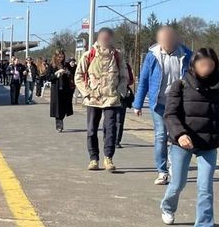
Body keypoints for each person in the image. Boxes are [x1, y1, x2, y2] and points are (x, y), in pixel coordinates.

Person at [160, 48, 219, 227]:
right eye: (202, 64)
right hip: (183, 143)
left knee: (205, 186)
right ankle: (167, 206)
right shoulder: (180, 85)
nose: (206, 68)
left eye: (210, 64)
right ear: (193, 65)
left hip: (208, 144)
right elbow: (170, 115)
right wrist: (180, 134)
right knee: (178, 183)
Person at [133, 27, 192, 185]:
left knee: (176, 136)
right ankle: (162, 171)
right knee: (160, 135)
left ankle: (174, 167)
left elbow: (194, 76)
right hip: (158, 102)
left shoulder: (186, 54)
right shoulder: (153, 56)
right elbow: (144, 80)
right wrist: (137, 104)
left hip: (179, 103)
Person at [76, 27, 131, 171]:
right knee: (91, 130)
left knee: (110, 129)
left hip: (111, 99)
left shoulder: (118, 56)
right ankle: (93, 158)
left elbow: (125, 77)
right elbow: (79, 76)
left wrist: (119, 92)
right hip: (93, 98)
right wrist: (87, 93)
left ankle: (108, 158)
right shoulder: (89, 55)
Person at [48, 50, 75, 131]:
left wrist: (68, 71)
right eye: (59, 57)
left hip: (65, 89)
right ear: (56, 57)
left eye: (63, 57)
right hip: (56, 89)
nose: (61, 59)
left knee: (64, 107)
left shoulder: (66, 65)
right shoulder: (52, 65)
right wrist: (57, 73)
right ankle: (59, 124)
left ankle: (61, 119)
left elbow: (72, 73)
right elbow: (49, 77)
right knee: (57, 107)